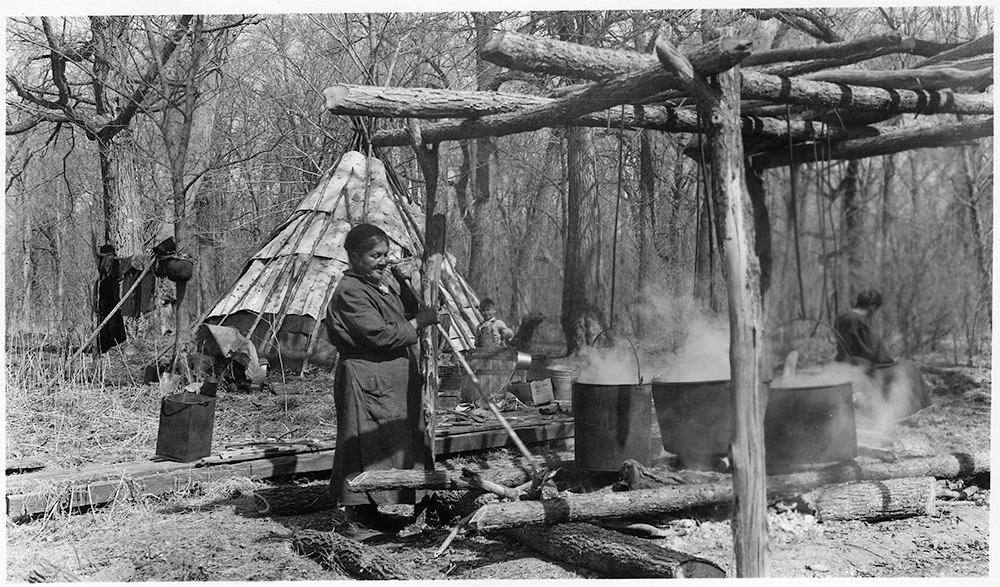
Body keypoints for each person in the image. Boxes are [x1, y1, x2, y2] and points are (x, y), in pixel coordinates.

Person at [324, 223, 440, 540]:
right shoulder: (350, 292)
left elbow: (404, 315)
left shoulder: (377, 285)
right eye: (376, 255)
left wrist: (404, 284)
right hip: (366, 382)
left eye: (386, 254)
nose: (383, 261)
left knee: (398, 443)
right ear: (353, 256)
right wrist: (419, 323)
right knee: (362, 446)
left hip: (391, 382)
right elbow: (382, 334)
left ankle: (381, 513)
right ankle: (357, 519)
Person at [834, 289, 894, 367]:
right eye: (876, 311)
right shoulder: (862, 322)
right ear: (873, 307)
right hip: (857, 365)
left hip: (841, 360)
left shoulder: (841, 316)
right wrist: (888, 360)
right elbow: (875, 351)